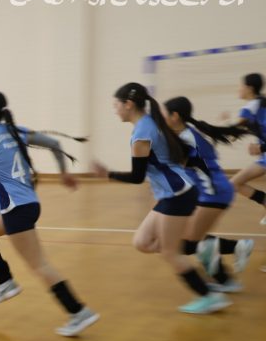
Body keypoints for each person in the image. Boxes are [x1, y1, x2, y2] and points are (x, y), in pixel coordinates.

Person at [0, 91, 98, 336]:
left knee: (39, 266)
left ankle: (78, 312)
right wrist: (63, 173)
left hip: (16, 210)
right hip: (26, 205)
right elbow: (56, 144)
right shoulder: (16, 132)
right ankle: (5, 282)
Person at [92, 83, 229, 314]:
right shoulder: (150, 123)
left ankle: (209, 295)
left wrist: (107, 174)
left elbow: (137, 177)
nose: (115, 110)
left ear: (128, 104)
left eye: (116, 105)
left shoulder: (142, 134)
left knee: (168, 252)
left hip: (178, 194)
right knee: (142, 242)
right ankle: (202, 252)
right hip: (172, 193)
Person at [162, 96, 255, 292]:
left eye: (164, 114)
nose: (162, 118)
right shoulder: (188, 133)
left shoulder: (185, 138)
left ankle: (238, 247)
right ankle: (225, 280)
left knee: (189, 244)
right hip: (211, 191)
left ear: (175, 116)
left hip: (213, 193)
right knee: (195, 238)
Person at [229, 73, 266, 224]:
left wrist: (261, 147)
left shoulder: (250, 108)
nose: (239, 89)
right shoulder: (258, 104)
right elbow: (235, 132)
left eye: (241, 86)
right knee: (234, 183)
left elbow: (232, 132)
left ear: (249, 88)